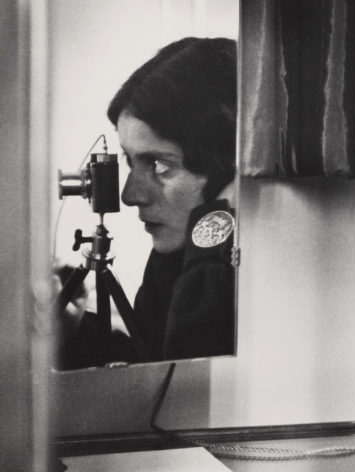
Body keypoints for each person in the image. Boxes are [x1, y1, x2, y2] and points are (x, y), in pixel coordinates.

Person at [57, 37, 237, 368]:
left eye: (159, 165)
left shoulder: (255, 270)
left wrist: (213, 227)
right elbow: (153, 365)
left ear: (226, 168)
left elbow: (193, 387)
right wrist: (73, 329)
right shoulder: (169, 258)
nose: (129, 195)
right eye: (130, 161)